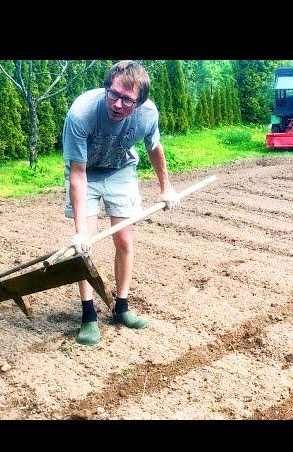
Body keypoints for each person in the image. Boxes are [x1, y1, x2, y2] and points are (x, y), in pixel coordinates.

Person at [62, 60, 179, 346]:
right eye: (113, 94)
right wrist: (79, 232)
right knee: (84, 248)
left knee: (124, 240)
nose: (117, 103)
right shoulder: (82, 114)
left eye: (127, 99)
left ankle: (121, 307)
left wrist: (166, 188)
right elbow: (78, 174)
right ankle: (88, 315)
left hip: (121, 170)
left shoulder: (147, 115)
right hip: (86, 172)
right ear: (107, 88)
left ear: (140, 101)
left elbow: (154, 148)